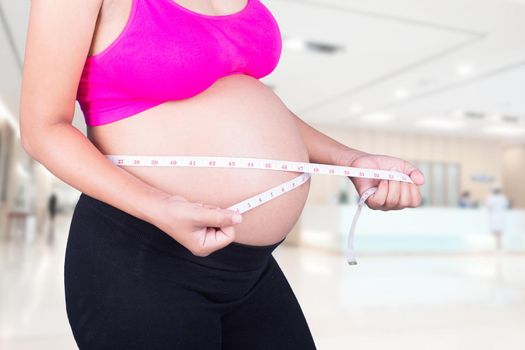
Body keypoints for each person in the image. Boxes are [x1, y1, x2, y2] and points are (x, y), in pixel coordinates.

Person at [19, 0, 425, 349]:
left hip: (249, 267)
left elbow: (248, 103)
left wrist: (349, 159)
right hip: (141, 254)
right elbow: (43, 130)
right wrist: (160, 206)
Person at [486, 187, 509, 251]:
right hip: (501, 215)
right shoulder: (503, 198)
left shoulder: (491, 198)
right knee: (499, 230)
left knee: (496, 230)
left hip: (494, 215)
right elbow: (506, 206)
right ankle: (499, 243)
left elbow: (489, 206)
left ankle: (498, 243)